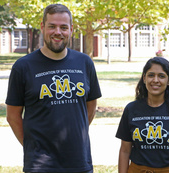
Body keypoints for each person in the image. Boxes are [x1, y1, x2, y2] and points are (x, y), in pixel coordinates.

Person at [6, 4, 101, 173]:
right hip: (40, 165)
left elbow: (91, 106)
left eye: (64, 27)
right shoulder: (23, 67)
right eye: (52, 26)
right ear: (43, 27)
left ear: (71, 30)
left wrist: (76, 136)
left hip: (79, 163)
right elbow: (13, 116)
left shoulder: (85, 63)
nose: (58, 32)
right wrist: (33, 146)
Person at [116, 57, 169, 173]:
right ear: (144, 78)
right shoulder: (131, 109)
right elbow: (125, 151)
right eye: (151, 75)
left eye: (161, 76)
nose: (155, 80)